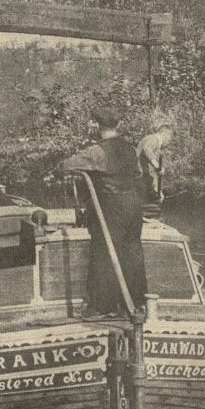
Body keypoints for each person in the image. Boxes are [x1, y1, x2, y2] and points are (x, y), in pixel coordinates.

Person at [54, 107, 147, 319]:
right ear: (118, 125)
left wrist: (59, 169)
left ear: (97, 126)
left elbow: (66, 166)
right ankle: (135, 303)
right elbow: (139, 173)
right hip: (134, 204)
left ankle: (102, 307)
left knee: (104, 252)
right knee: (133, 252)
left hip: (112, 205)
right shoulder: (130, 148)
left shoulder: (97, 151)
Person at [136, 123, 173, 204]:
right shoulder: (154, 139)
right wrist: (158, 166)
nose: (169, 140)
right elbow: (147, 150)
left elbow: (151, 170)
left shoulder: (152, 140)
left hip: (142, 176)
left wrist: (158, 190)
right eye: (169, 136)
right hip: (139, 176)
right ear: (164, 134)